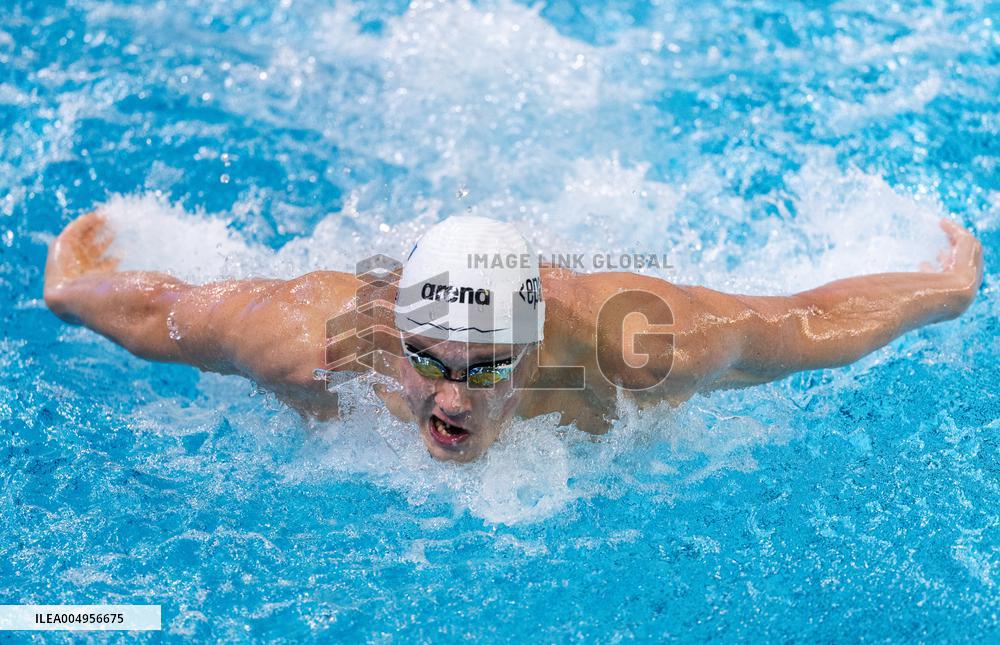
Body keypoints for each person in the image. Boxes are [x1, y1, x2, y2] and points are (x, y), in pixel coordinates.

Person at [44, 211, 983, 462]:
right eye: (430, 362)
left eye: (487, 368)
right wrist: (74, 284)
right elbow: (155, 314)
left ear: (535, 350)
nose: (451, 399)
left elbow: (804, 321)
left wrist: (944, 288)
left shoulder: (639, 347)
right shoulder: (306, 333)